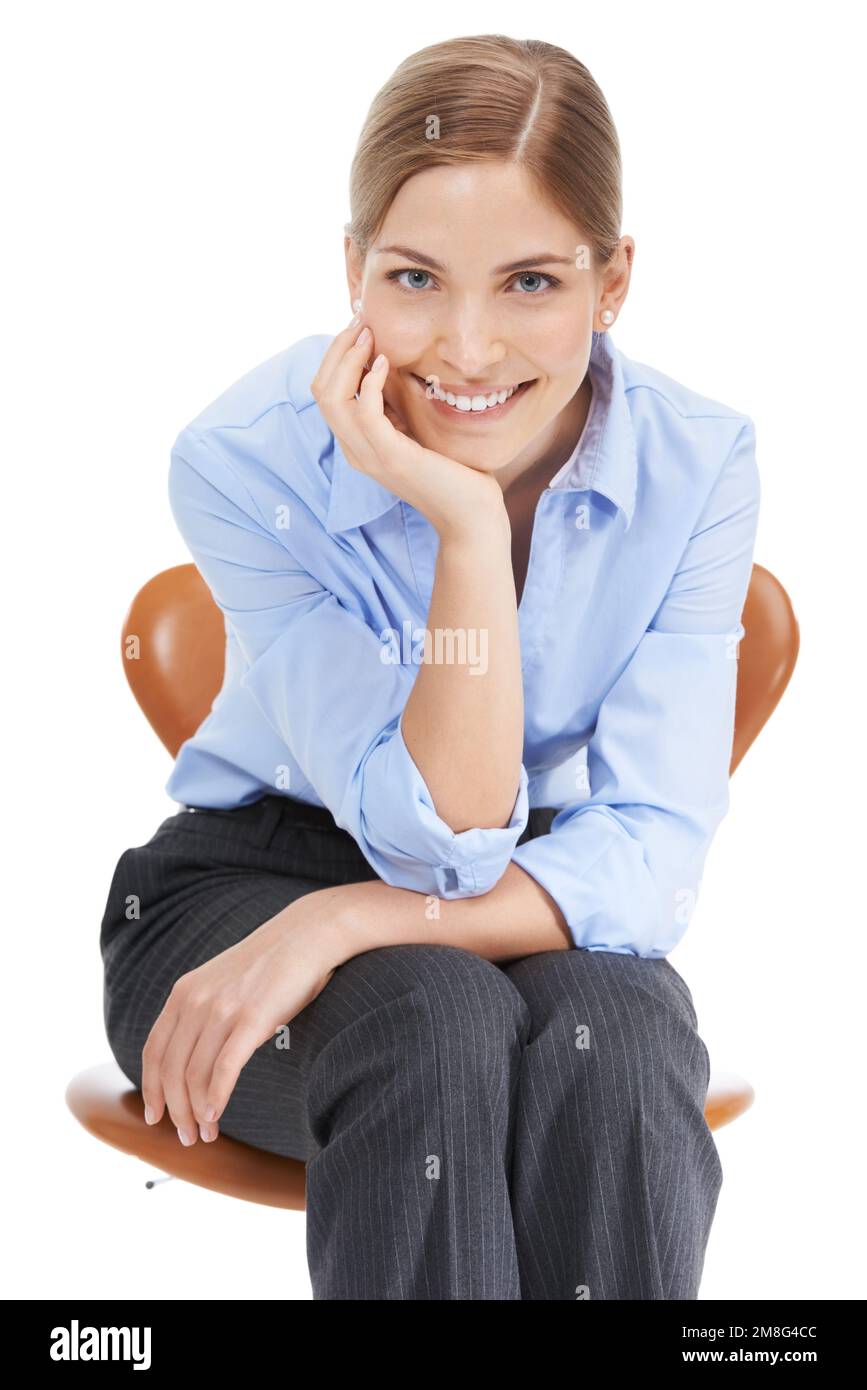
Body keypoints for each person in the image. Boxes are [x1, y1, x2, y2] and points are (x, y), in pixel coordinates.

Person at [99, 33, 759, 1300]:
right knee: (433, 1022)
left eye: (530, 282)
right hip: (251, 890)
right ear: (351, 272)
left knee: (621, 1038)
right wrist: (463, 524)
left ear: (613, 281)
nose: (465, 349)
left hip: (529, 897)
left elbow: (651, 852)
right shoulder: (247, 458)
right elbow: (438, 838)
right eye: (413, 278)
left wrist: (347, 919)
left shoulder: (699, 462)